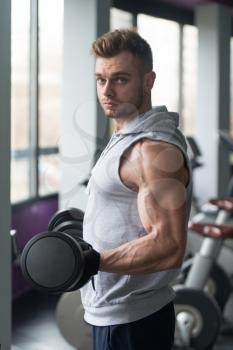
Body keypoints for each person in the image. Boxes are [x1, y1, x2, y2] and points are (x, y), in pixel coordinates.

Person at [80, 29, 193, 350]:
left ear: (148, 80)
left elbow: (169, 245)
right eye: (101, 80)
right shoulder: (127, 135)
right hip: (118, 312)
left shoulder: (152, 150)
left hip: (132, 319)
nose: (107, 91)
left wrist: (93, 261)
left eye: (120, 79)